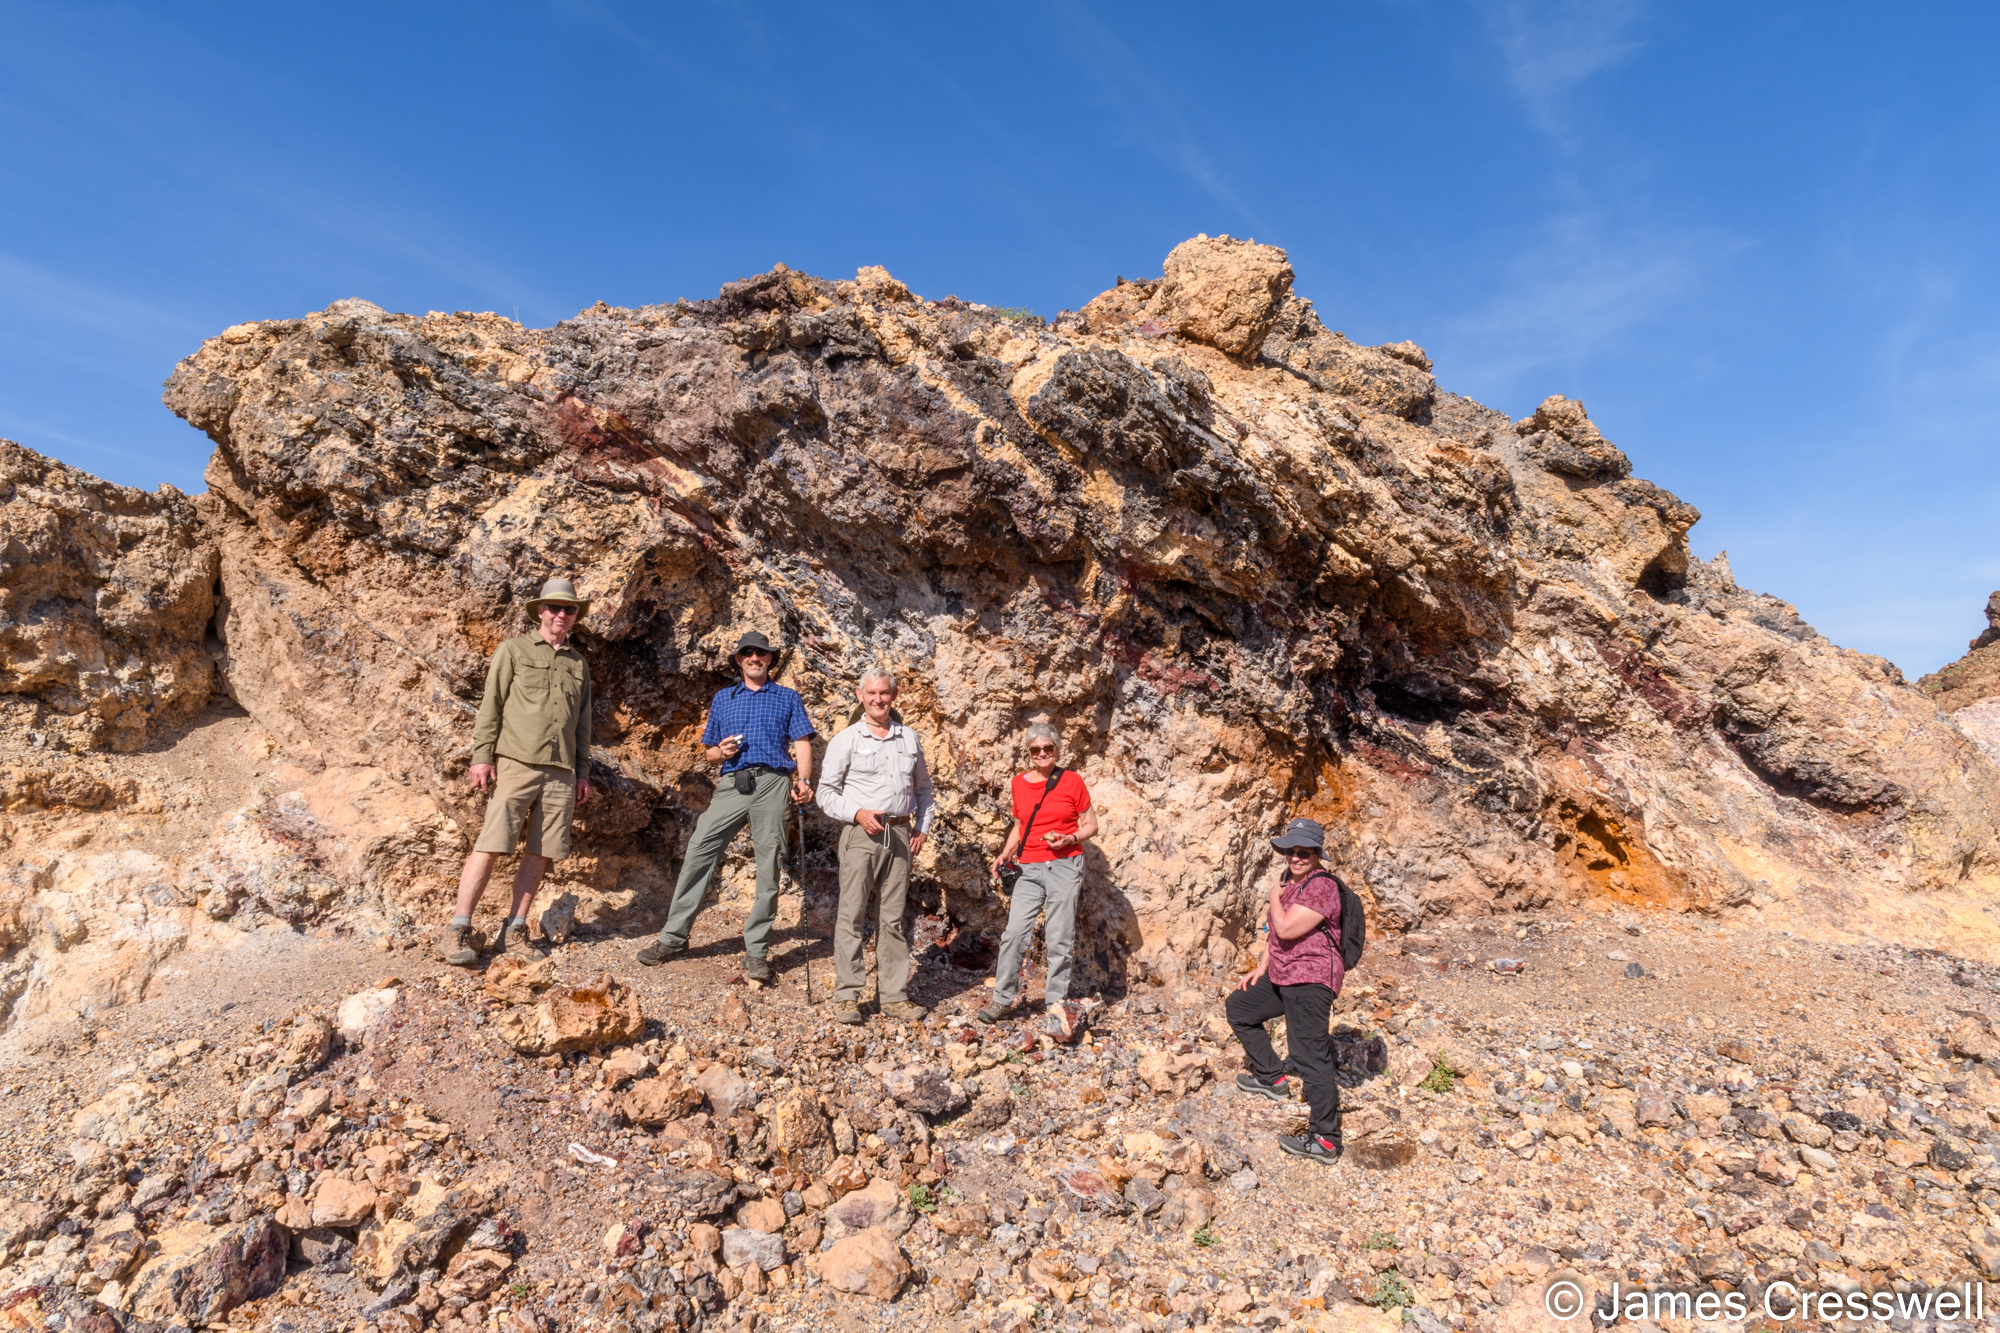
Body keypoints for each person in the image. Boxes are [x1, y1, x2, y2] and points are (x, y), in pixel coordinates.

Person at [638, 631, 815, 980]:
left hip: (774, 783)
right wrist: (722, 751)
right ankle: (673, 938)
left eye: (761, 653)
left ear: (769, 660)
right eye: (747, 653)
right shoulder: (723, 698)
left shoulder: (787, 697)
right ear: (738, 660)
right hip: (732, 783)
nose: (754, 658)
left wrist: (805, 780)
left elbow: (802, 741)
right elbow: (708, 752)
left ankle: (756, 952)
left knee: (769, 867)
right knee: (699, 851)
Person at [443, 578, 594, 966]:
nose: (562, 614)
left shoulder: (579, 664)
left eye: (570, 609)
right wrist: (481, 756)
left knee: (540, 853)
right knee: (491, 843)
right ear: (540, 612)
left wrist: (582, 772)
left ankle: (514, 929)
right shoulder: (513, 650)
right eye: (555, 608)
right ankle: (458, 928)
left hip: (561, 770)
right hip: (516, 762)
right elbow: (491, 704)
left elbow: (582, 725)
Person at [816, 668, 937, 1026]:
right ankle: (847, 996)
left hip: (900, 835)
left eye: (884, 693)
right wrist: (856, 813)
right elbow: (825, 793)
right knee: (851, 915)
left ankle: (894, 996)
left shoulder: (909, 739)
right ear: (860, 695)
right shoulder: (846, 739)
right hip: (860, 836)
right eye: (871, 693)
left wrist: (922, 828)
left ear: (893, 696)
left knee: (893, 918)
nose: (878, 699)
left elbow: (924, 790)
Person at [1226, 816, 1346, 1164]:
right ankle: (1272, 1077)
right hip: (1282, 975)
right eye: (1290, 850)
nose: (1295, 857)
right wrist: (1262, 966)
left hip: (1310, 979)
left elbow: (1286, 927)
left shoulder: (1323, 887)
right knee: (1241, 1008)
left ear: (1316, 853)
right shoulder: (1293, 882)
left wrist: (1273, 897)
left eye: (1304, 851)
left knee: (1309, 1054)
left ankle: (1326, 1140)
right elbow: (1275, 935)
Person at [981, 723, 1095, 1024]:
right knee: (1014, 934)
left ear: (1057, 749)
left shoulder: (1072, 781)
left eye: (1048, 748)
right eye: (1036, 750)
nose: (1042, 753)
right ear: (1029, 753)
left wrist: (1070, 839)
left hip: (1065, 864)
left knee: (1059, 937)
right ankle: (1002, 1000)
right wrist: (1006, 852)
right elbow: (1020, 825)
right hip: (1029, 865)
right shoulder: (1018, 783)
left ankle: (1055, 1006)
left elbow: (1091, 825)